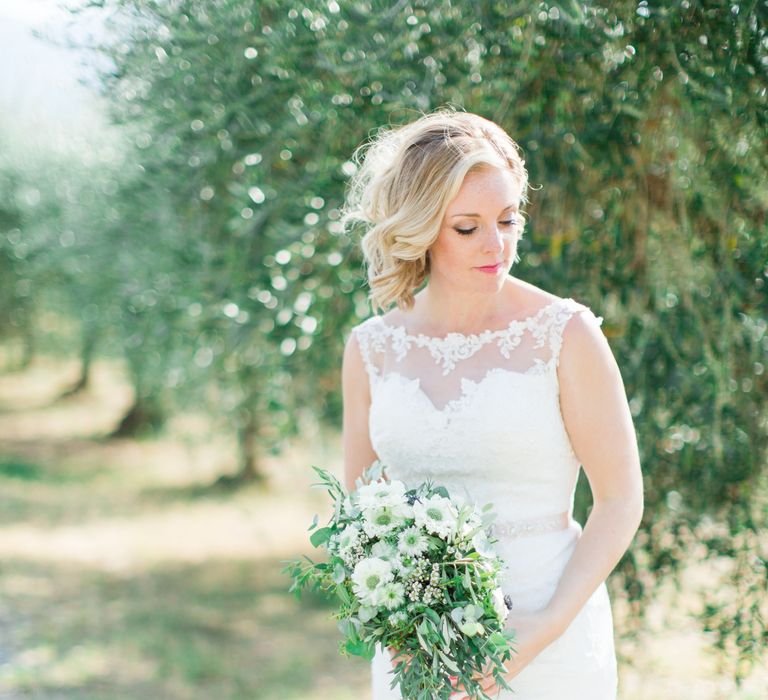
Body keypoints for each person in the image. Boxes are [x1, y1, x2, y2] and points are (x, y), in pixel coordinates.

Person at [339, 107, 643, 699]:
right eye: (467, 227)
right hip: (417, 647)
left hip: (548, 635)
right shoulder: (371, 348)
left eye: (507, 219)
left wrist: (541, 629)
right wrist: (399, 622)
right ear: (423, 227)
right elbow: (357, 509)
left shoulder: (566, 335)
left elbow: (620, 499)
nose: (496, 244)